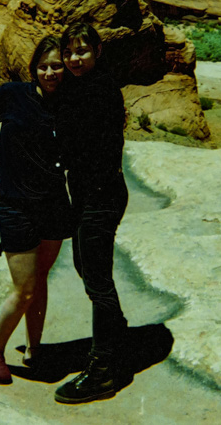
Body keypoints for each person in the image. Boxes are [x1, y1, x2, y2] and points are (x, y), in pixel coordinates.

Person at [0, 35, 74, 385]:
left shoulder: (69, 102)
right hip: (16, 203)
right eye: (43, 66)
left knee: (40, 281)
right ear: (34, 68)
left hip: (53, 204)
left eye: (56, 65)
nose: (50, 72)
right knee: (23, 288)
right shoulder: (14, 95)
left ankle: (34, 348)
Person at [53, 22, 129, 405]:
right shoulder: (77, 87)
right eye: (68, 53)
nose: (74, 59)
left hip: (101, 195)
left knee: (97, 280)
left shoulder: (100, 90)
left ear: (97, 51)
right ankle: (116, 338)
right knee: (87, 269)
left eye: (81, 51)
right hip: (86, 195)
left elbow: (85, 146)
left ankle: (103, 371)